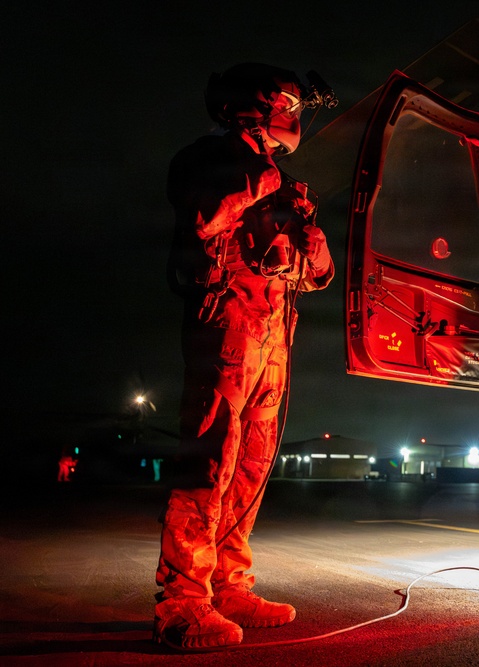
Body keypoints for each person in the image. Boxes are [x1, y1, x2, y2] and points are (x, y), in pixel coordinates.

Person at [154, 62, 335, 651]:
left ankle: (229, 585)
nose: (294, 115)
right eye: (288, 103)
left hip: (272, 332)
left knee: (252, 465)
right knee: (210, 459)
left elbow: (314, 275)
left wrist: (314, 248)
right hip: (227, 328)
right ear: (257, 105)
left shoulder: (277, 178)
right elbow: (204, 220)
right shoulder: (206, 159)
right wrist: (261, 176)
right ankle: (183, 603)